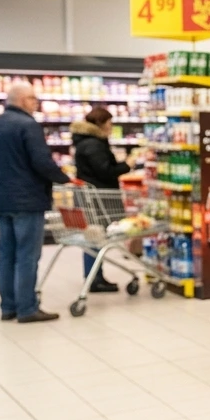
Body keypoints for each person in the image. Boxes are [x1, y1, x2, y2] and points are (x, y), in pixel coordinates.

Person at [0, 82, 70, 323]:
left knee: (6, 254)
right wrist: (64, 179)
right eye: (34, 99)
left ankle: (8, 306)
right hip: (28, 199)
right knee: (27, 255)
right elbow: (41, 161)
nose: (36, 103)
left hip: (2, 197)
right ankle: (27, 308)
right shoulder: (28, 125)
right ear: (23, 101)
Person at [70, 106, 137, 293]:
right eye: (110, 123)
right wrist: (127, 165)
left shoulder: (86, 142)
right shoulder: (93, 144)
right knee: (95, 237)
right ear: (100, 123)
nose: (111, 126)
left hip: (91, 196)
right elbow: (106, 172)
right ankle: (95, 278)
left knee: (93, 237)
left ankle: (95, 276)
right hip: (97, 197)